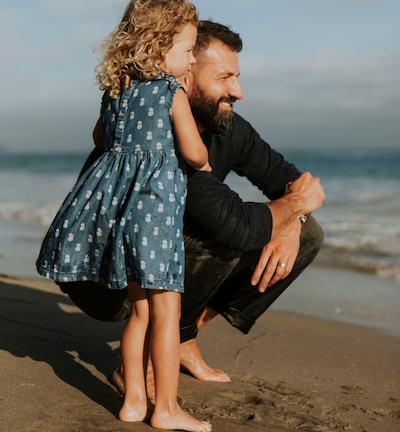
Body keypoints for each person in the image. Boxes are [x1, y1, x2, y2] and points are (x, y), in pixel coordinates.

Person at [61, 19, 325, 390]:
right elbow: (236, 225)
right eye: (224, 78)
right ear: (184, 76)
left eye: (237, 76)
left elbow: (292, 181)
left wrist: (294, 218)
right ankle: (143, 361)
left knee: (309, 233)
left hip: (156, 265)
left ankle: (181, 340)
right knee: (230, 233)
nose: (239, 91)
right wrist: (294, 206)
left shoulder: (229, 126)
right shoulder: (158, 138)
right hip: (106, 279)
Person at [36, 0, 212, 432]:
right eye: (188, 49)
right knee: (168, 313)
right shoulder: (170, 92)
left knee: (140, 314)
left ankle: (135, 400)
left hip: (124, 214)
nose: (192, 60)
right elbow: (193, 153)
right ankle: (166, 407)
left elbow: (100, 137)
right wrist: (204, 160)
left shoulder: (116, 91)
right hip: (156, 213)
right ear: (158, 45)